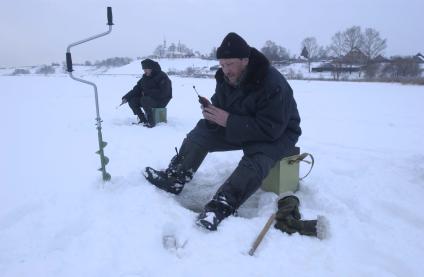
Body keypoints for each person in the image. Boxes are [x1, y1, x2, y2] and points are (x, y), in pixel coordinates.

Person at [144, 32, 301, 231]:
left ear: (245, 60)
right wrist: (212, 116)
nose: (225, 70)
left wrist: (228, 120)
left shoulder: (272, 83)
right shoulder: (226, 78)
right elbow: (221, 106)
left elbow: (271, 129)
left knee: (258, 155)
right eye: (222, 65)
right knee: (203, 131)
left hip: (279, 133)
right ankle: (175, 177)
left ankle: (223, 204)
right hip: (241, 125)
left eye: (230, 64)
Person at [122, 59, 172, 128]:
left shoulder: (162, 76)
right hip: (149, 100)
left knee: (144, 99)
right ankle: (143, 120)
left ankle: (151, 122)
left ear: (152, 68)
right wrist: (126, 97)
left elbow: (164, 92)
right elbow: (137, 88)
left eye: (146, 69)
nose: (144, 71)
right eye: (143, 69)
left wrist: (147, 92)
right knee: (132, 100)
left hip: (162, 100)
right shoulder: (145, 77)